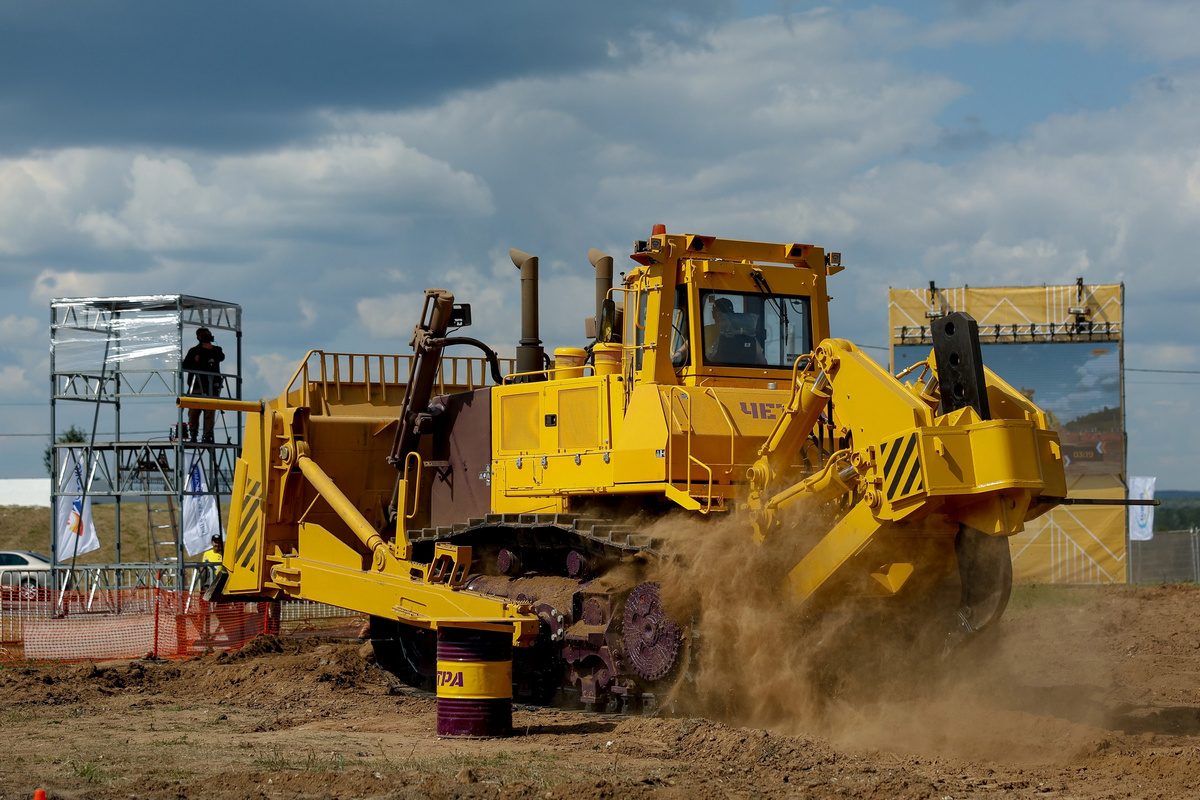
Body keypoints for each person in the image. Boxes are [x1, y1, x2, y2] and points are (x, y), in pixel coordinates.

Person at [183, 327, 225, 443]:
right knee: (193, 412)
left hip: (212, 388)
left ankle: (207, 435)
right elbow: (185, 365)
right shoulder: (194, 351)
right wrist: (195, 361)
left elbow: (221, 357)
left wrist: (207, 352)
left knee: (210, 413)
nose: (205, 336)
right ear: (198, 337)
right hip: (197, 387)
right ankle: (193, 435)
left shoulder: (216, 349)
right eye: (202, 335)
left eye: (206, 334)